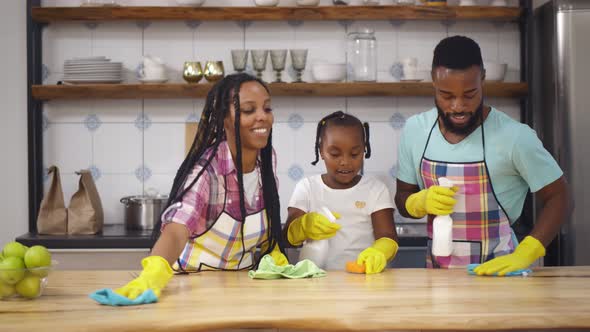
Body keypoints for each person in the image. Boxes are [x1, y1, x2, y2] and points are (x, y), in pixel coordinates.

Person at [394, 35, 571, 275]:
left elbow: (560, 197)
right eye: (447, 95)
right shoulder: (416, 130)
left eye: (469, 94)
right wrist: (418, 202)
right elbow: (403, 197)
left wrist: (527, 252)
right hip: (437, 279)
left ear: (483, 79)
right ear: (433, 83)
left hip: (502, 277)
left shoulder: (515, 137)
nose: (458, 106)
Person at [116, 73, 288, 300]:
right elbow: (176, 230)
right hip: (191, 291)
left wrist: (277, 247)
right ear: (224, 118)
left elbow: (265, 223)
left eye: (267, 109)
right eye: (248, 110)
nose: (262, 117)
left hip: (242, 290)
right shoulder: (208, 170)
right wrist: (154, 273)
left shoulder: (266, 162)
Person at [285, 111, 399, 274]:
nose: (345, 162)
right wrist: (302, 226)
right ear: (321, 151)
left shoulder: (376, 189)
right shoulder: (307, 187)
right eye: (335, 154)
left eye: (354, 154)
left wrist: (380, 251)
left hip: (363, 279)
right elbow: (287, 236)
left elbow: (388, 235)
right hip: (314, 280)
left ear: (364, 151)